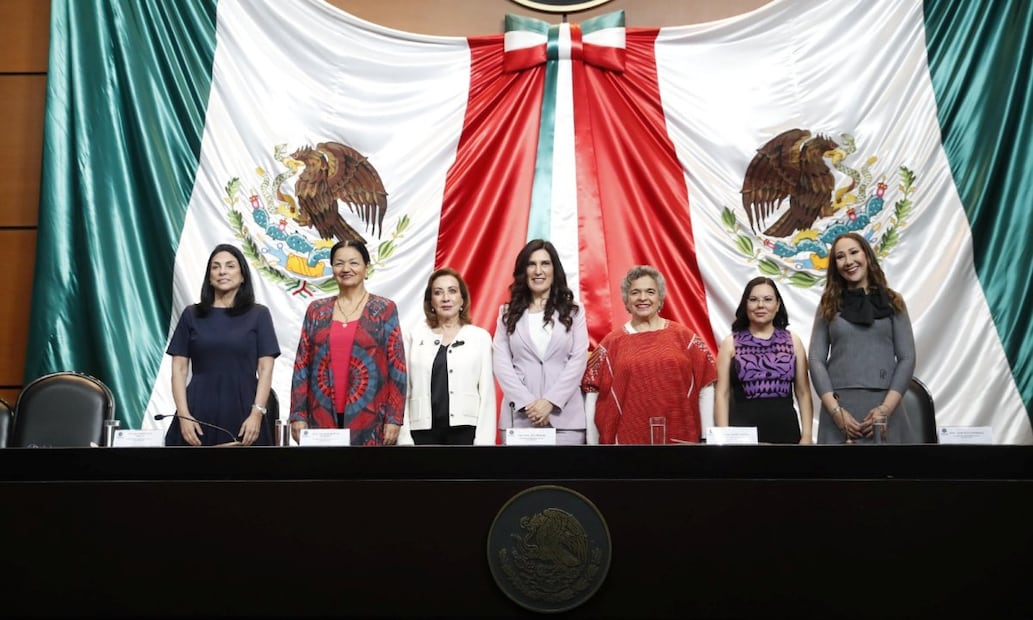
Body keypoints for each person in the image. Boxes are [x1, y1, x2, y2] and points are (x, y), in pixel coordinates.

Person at [582, 265, 716, 444]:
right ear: (626, 300)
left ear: (660, 298)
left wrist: (706, 438)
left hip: (682, 443)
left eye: (650, 292)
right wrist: (593, 445)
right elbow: (593, 394)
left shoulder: (684, 336)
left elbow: (705, 386)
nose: (642, 298)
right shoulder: (611, 343)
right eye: (635, 292)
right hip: (627, 446)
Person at [289, 240, 407, 445]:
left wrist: (394, 418)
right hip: (320, 419)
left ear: (366, 268)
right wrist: (298, 415)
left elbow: (397, 366)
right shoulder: (316, 310)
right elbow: (301, 366)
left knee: (366, 477)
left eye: (353, 263)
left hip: (371, 419)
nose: (346, 269)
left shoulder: (384, 309)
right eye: (339, 263)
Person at [165, 244, 279, 446]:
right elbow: (179, 369)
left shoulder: (259, 315)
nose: (222, 271)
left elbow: (266, 368)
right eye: (215, 267)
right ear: (209, 276)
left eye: (230, 266)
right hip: (196, 411)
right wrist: (183, 416)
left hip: (245, 410)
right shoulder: (192, 315)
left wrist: (257, 413)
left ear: (242, 275)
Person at [809, 232, 916, 443]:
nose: (848, 261)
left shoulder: (894, 301)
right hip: (839, 409)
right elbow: (815, 360)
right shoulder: (828, 304)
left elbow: (907, 358)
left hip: (886, 408)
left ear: (866, 255)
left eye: (853, 252)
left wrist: (885, 410)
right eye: (840, 256)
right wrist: (836, 412)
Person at [493, 239, 588, 444]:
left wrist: (551, 402)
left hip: (566, 420)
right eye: (531, 264)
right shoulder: (506, 314)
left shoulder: (575, 312)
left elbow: (578, 360)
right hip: (519, 418)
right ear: (523, 271)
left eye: (545, 263)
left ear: (555, 270)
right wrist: (528, 403)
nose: (538, 270)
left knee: (564, 477)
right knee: (521, 477)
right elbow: (501, 363)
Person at [399, 268, 496, 445]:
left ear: (462, 300)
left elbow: (487, 394)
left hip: (465, 432)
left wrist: (484, 444)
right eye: (438, 292)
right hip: (422, 432)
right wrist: (404, 438)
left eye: (452, 291)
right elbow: (404, 391)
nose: (446, 298)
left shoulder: (480, 338)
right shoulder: (414, 336)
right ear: (431, 302)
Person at [714, 277, 814, 444]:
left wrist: (807, 436)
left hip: (787, 433)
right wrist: (724, 438)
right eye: (753, 300)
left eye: (768, 299)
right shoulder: (730, 343)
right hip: (742, 438)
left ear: (778, 305)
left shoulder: (793, 341)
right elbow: (721, 393)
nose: (760, 305)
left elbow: (803, 392)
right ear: (746, 304)